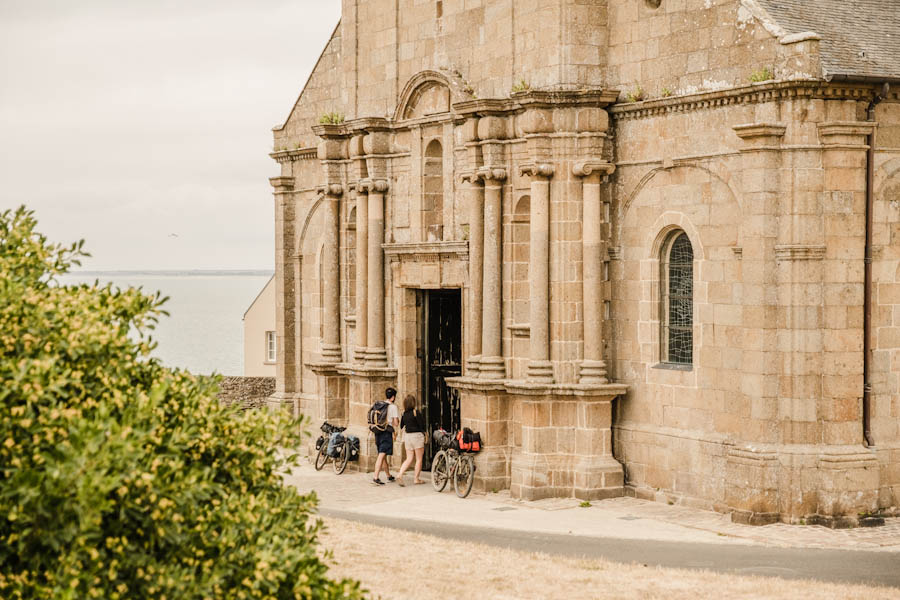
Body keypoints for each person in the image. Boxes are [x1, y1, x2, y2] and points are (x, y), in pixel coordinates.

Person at [396, 394, 426, 486]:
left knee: (409, 458)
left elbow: (401, 426)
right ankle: (416, 479)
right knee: (419, 459)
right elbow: (422, 425)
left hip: (408, 437)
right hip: (417, 436)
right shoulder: (415, 412)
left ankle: (400, 474)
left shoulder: (404, 414)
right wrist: (425, 434)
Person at [372, 387, 399, 485]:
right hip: (386, 432)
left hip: (378, 432)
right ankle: (376, 477)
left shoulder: (380, 405)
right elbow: (395, 423)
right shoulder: (393, 407)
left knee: (382, 455)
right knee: (381, 455)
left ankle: (388, 475)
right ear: (393, 397)